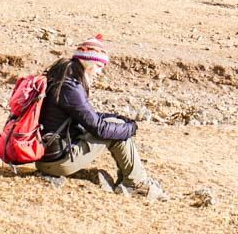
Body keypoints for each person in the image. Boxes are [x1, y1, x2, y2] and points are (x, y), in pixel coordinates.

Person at [36, 35, 167, 200]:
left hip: (48, 156)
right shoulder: (70, 88)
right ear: (87, 62)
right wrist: (131, 128)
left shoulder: (62, 80)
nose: (100, 72)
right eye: (99, 66)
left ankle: (132, 180)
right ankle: (136, 184)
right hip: (57, 162)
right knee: (118, 134)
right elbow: (98, 128)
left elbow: (86, 116)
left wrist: (120, 120)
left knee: (117, 126)